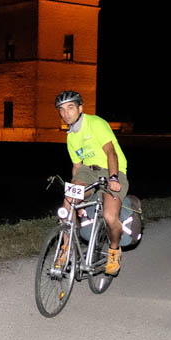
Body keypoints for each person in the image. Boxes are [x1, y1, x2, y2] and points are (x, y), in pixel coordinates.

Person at [55, 90, 129, 275]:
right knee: (68, 202)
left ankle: (114, 251)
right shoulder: (71, 136)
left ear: (80, 108)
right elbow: (77, 166)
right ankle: (66, 249)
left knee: (110, 217)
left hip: (112, 169)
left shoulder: (96, 123)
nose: (66, 113)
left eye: (70, 108)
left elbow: (111, 152)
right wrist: (77, 197)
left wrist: (114, 178)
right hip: (88, 172)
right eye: (61, 110)